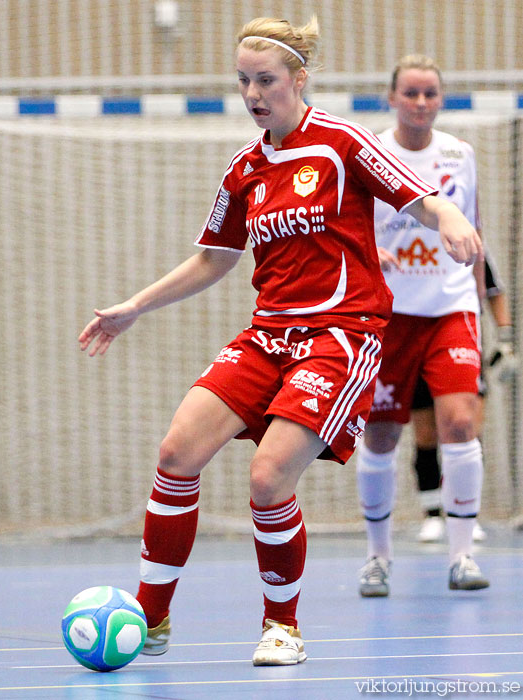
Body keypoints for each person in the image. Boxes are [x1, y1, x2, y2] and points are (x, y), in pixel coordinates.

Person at [79, 22, 481, 666]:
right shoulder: (246, 166)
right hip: (269, 334)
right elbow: (213, 259)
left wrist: (451, 214)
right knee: (177, 452)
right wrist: (135, 306)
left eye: (265, 80)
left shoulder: (340, 142)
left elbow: (418, 197)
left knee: (268, 478)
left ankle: (282, 625)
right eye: (243, 80)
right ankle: (148, 620)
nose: (253, 93)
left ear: (298, 80)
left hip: (341, 335)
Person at [356, 54, 489, 597]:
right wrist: (371, 257)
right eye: (410, 93)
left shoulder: (460, 155)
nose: (420, 102)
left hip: (450, 308)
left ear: (441, 99)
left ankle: (461, 556)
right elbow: (350, 226)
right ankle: (377, 557)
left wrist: (481, 304)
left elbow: (473, 229)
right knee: (382, 433)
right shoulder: (370, 154)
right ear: (392, 98)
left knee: (459, 423)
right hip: (388, 316)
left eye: (430, 93)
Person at [414, 252, 517, 543]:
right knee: (425, 435)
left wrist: (506, 341)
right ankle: (432, 514)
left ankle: (466, 513)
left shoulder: (471, 246)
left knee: (466, 429)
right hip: (417, 346)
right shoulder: (407, 244)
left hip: (461, 343)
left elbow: (494, 293)